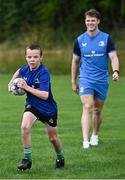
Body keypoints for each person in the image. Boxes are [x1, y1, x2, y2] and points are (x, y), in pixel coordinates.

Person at [8, 44, 65, 170]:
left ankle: (60, 157)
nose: (32, 59)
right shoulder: (25, 69)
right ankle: (27, 159)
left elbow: (45, 95)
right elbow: (18, 71)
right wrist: (11, 83)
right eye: (29, 57)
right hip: (32, 105)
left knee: (53, 138)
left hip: (47, 109)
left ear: (41, 58)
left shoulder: (44, 72)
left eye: (35, 57)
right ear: (26, 57)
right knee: (24, 126)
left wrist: (26, 87)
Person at [71, 9, 119, 149]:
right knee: (87, 106)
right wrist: (73, 81)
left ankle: (95, 135)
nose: (90, 23)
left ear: (98, 21)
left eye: (93, 20)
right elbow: (74, 61)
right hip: (86, 78)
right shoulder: (79, 40)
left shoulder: (106, 39)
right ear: (85, 22)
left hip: (102, 80)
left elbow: (114, 57)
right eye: (88, 20)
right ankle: (85, 140)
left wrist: (115, 71)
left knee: (97, 110)